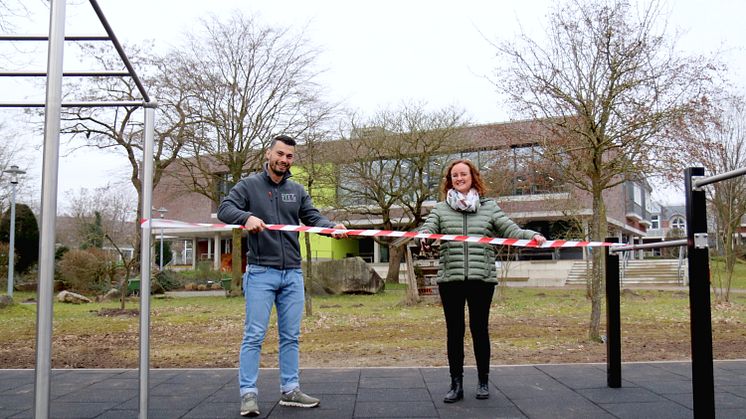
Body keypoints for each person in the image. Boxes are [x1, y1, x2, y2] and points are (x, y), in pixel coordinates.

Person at [217, 134, 347, 417]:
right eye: (280, 154)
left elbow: (313, 218)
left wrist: (331, 226)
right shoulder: (248, 186)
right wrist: (245, 218)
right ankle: (248, 395)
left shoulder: (296, 190)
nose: (284, 160)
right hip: (261, 273)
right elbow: (224, 209)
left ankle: (290, 390)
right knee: (254, 335)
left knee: (291, 336)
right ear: (268, 154)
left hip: (292, 275)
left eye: (289, 156)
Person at [418, 159, 546, 403]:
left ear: (472, 177)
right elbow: (428, 229)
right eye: (454, 175)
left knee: (480, 330)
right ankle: (456, 384)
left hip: (481, 279)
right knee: (454, 333)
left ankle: (483, 381)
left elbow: (512, 231)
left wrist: (532, 235)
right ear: (449, 181)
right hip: (451, 279)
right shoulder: (441, 209)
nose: (459, 178)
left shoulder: (489, 207)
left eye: (463, 174)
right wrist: (423, 238)